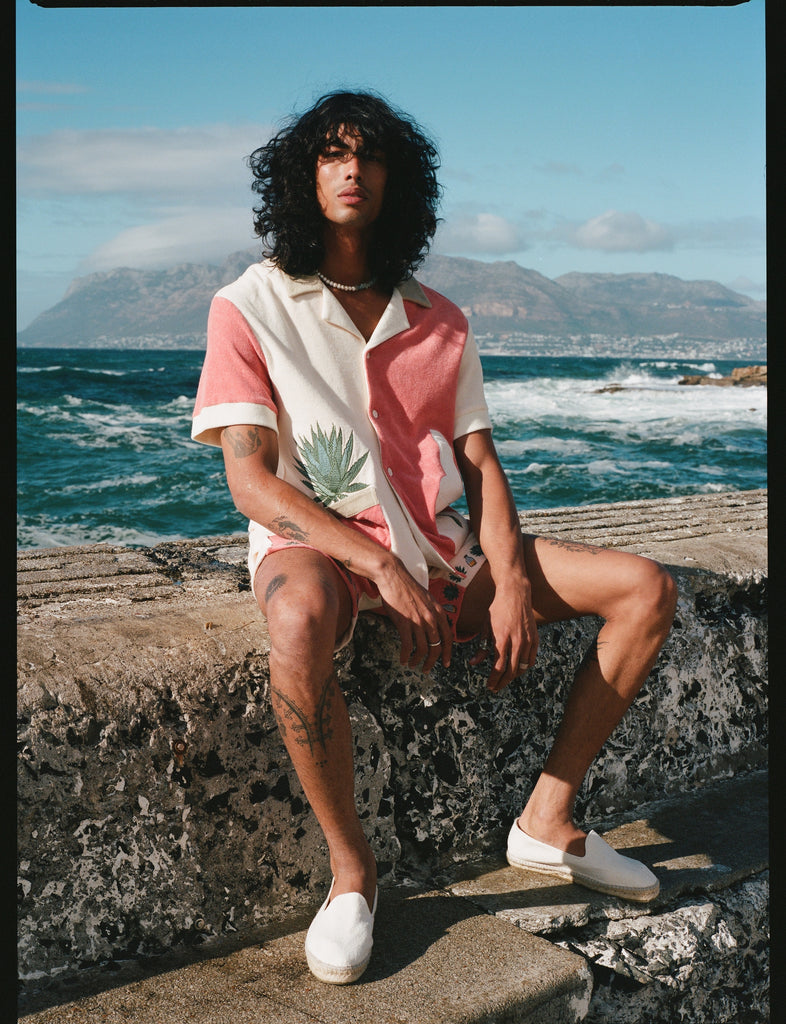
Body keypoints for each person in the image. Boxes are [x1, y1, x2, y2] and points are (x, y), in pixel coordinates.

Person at [191, 90, 678, 985]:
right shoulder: (250, 304)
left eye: (368, 156)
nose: (350, 169)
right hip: (327, 548)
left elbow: (482, 465)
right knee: (295, 620)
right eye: (331, 154)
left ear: (395, 181)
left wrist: (515, 581)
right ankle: (352, 876)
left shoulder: (441, 318)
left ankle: (548, 823)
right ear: (305, 175)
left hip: (448, 554)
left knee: (647, 588)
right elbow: (251, 479)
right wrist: (372, 556)